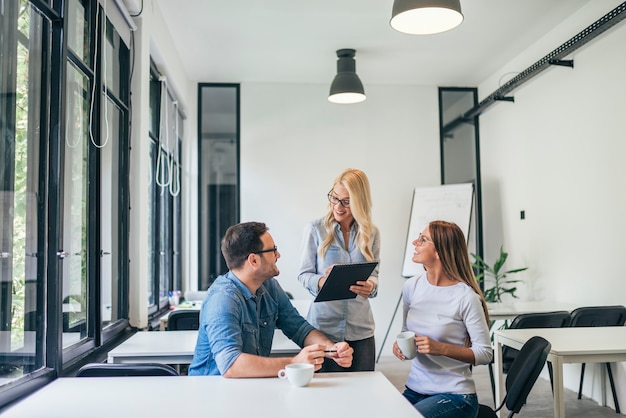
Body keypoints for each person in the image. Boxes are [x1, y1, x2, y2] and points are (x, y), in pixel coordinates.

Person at [188, 221, 353, 377]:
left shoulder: (270, 287)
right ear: (253, 260)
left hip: (249, 388)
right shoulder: (223, 299)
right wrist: (294, 362)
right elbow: (231, 366)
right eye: (273, 250)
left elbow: (300, 329)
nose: (278, 255)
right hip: (212, 395)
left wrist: (332, 349)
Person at [392, 220, 492, 418]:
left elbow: (485, 353)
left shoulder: (466, 297)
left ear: (439, 252)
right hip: (414, 390)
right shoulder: (412, 287)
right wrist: (400, 345)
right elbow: (405, 331)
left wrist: (440, 348)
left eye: (423, 239)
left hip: (455, 396)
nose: (414, 242)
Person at [298, 168, 380, 372]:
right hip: (323, 330)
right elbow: (303, 274)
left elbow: (375, 275)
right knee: (325, 396)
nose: (338, 206)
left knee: (361, 394)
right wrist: (320, 282)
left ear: (359, 202)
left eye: (346, 201)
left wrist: (371, 286)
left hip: (361, 330)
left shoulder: (372, 233)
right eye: (335, 198)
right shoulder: (315, 229)